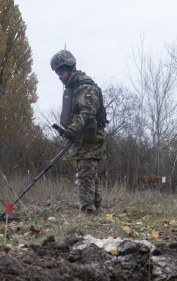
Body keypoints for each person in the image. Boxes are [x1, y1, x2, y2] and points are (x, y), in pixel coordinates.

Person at [50, 50, 107, 213]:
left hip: (90, 140)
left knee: (86, 177)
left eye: (61, 72)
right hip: (81, 141)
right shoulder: (74, 87)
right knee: (89, 175)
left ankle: (88, 211)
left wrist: (72, 130)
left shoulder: (85, 87)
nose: (59, 76)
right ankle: (94, 209)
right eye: (57, 73)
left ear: (70, 68)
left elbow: (88, 113)